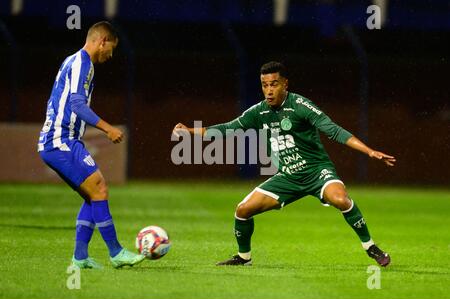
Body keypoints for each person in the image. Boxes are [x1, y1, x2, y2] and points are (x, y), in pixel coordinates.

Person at [173, 61, 395, 267]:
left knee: (341, 200)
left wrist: (369, 151)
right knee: (242, 210)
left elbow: (334, 130)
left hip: (317, 172)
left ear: (285, 84)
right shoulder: (258, 112)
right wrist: (189, 131)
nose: (269, 90)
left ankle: (370, 247)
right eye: (264, 85)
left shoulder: (300, 106)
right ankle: (244, 258)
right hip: (287, 177)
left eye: (274, 84)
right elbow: (226, 129)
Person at [38, 21, 145, 269]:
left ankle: (80, 258)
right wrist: (108, 128)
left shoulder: (75, 62)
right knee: (99, 188)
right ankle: (116, 253)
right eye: (111, 48)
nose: (111, 54)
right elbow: (76, 104)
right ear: (102, 41)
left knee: (92, 196)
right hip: (59, 140)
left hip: (63, 140)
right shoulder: (82, 63)